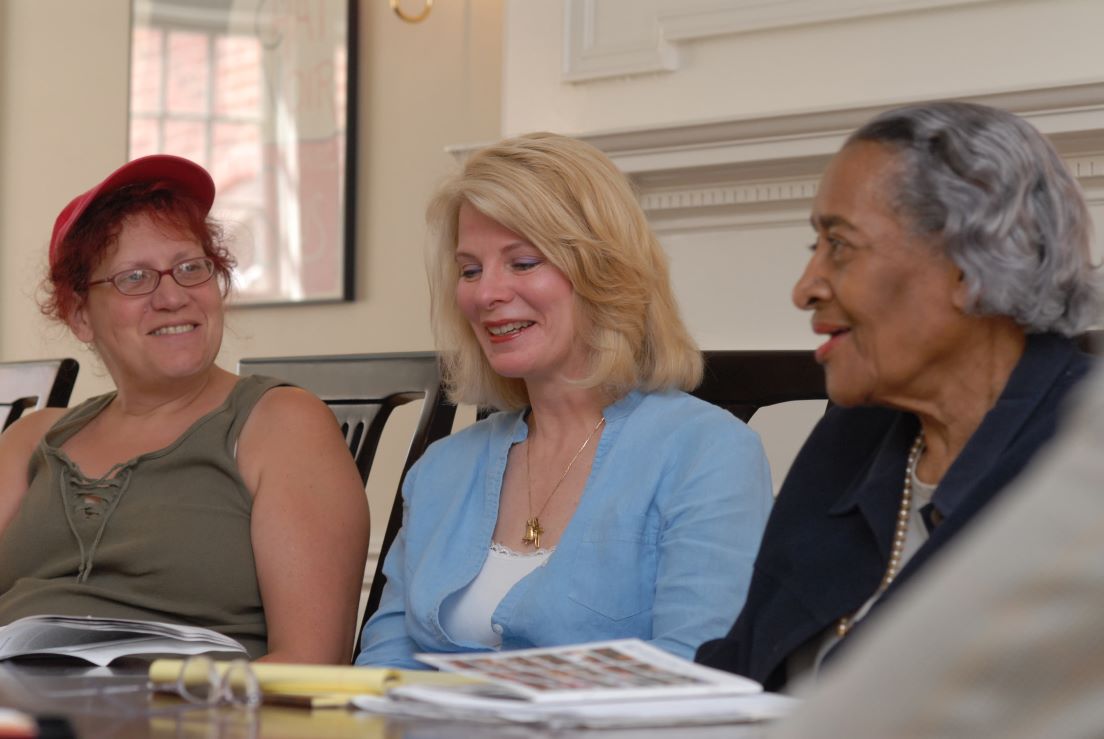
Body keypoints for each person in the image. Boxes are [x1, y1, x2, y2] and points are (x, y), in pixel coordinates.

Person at [695, 101, 1100, 691]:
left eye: (840, 245)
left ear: (969, 266)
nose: (804, 288)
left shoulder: (1082, 454)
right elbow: (743, 662)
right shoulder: (858, 429)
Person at [355, 133, 772, 669]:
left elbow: (696, 670)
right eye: (470, 269)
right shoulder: (441, 469)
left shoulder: (708, 452)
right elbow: (385, 665)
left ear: (604, 272)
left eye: (523, 262)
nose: (486, 295)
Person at [0, 155, 370, 663]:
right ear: (79, 313)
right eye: (134, 278)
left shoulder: (279, 424)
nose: (173, 296)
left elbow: (311, 664)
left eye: (191, 268)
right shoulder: (32, 440)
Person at [770, 356, 1104, 739]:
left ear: (974, 293)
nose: (806, 293)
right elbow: (744, 652)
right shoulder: (855, 427)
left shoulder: (1066, 436)